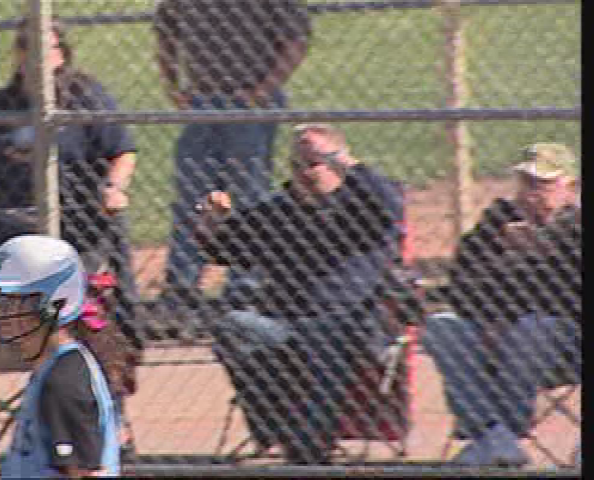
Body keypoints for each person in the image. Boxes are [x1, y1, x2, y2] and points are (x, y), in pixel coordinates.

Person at [195, 124, 404, 463]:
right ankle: (277, 432)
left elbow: (393, 208)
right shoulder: (279, 211)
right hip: (283, 324)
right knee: (233, 327)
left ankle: (309, 446)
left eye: (313, 163)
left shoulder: (364, 208)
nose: (303, 173)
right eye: (296, 164)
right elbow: (226, 251)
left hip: (349, 325)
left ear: (337, 162)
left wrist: (346, 162)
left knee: (320, 338)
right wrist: (211, 223)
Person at [0, 18, 142, 351]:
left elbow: (122, 152)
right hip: (14, 219)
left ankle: (125, 328)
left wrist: (114, 188)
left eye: (47, 49)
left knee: (114, 221)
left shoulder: (85, 96)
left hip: (78, 215)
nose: (38, 58)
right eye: (29, 49)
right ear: (19, 55)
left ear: (61, 54)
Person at [421, 143, 581, 466]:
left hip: (566, 343)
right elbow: (462, 284)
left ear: (571, 187)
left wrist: (541, 250)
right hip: (494, 330)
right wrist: (496, 313)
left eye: (543, 183)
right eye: (525, 182)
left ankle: (503, 432)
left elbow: (570, 295)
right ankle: (490, 434)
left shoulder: (577, 228)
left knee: (534, 327)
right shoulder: (498, 220)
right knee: (442, 326)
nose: (531, 193)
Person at [154, 0, 312, 317]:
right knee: (191, 195)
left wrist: (262, 91)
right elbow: (165, 32)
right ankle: (183, 288)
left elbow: (297, 41)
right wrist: (173, 85)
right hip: (203, 101)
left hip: (251, 102)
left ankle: (245, 286)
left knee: (249, 195)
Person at [0, 235, 120, 478]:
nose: (0, 314)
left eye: (13, 302)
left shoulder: (63, 382)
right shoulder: (50, 370)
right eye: (0, 302)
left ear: (54, 304)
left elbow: (85, 474)